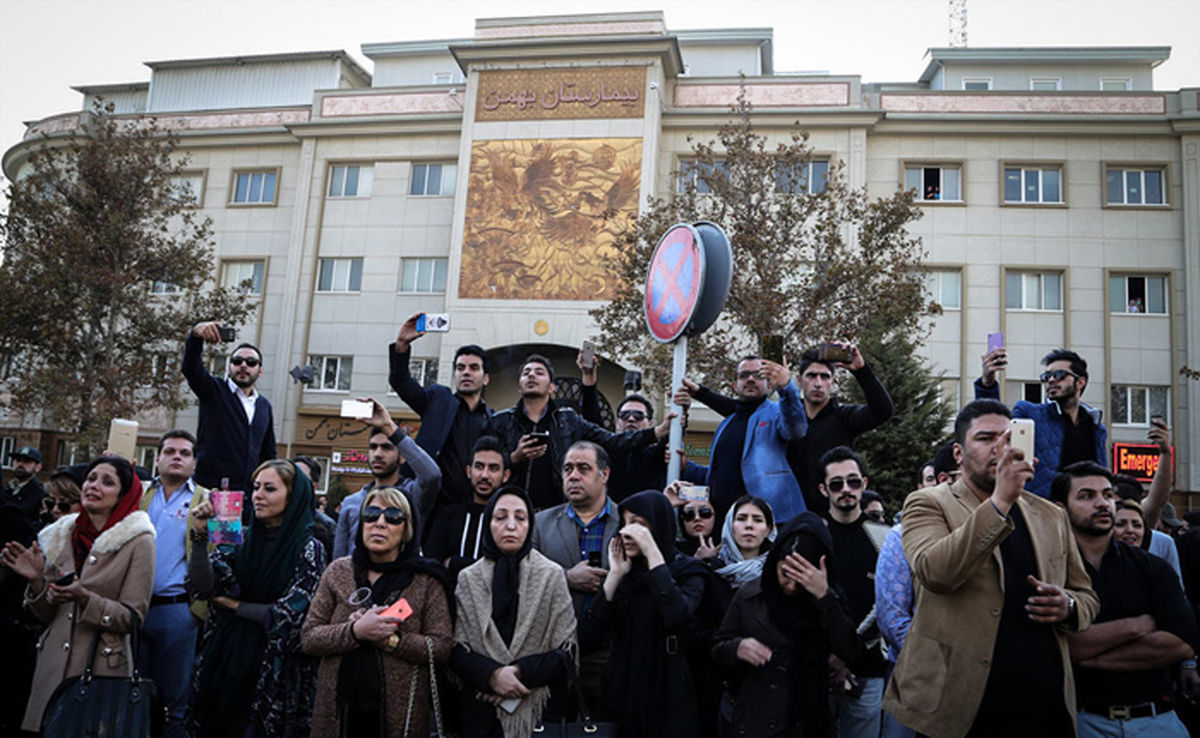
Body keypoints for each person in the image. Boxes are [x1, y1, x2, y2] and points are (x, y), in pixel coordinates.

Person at [883, 400, 1099, 738]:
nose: (1000, 448)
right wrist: (1000, 502)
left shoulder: (1051, 515)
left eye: (1008, 438)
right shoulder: (928, 502)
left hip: (1041, 701)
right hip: (961, 705)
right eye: (985, 439)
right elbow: (935, 572)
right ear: (958, 454)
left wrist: (1068, 606)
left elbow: (1086, 596)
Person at [1, 455, 155, 733]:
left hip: (101, 672)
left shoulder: (139, 541)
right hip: (51, 669)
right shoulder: (61, 534)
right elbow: (49, 615)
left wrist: (84, 598)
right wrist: (36, 580)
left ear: (123, 494)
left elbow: (132, 617)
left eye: (107, 482)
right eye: (92, 478)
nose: (94, 486)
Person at [1054, 461, 1198, 737]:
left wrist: (1087, 657)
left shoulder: (1152, 568)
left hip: (1157, 720)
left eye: (1108, 495)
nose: (1102, 503)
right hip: (1082, 721)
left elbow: (1182, 643)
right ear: (1060, 509)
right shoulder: (1048, 570)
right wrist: (1136, 627)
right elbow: (1057, 647)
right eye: (1087, 496)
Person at [187, 459, 326, 737]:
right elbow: (203, 587)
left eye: (270, 489)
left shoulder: (311, 547)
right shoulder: (239, 534)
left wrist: (233, 605)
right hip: (224, 659)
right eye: (256, 487)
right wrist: (201, 535)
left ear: (294, 495)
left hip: (272, 668)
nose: (258, 495)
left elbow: (289, 615)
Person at [302, 486, 453, 738]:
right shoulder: (338, 572)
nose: (379, 523)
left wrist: (391, 640)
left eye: (392, 517)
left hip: (399, 716)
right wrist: (355, 631)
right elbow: (309, 637)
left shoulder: (426, 580)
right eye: (371, 515)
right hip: (339, 714)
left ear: (406, 529)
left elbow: (441, 647)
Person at [711, 512, 864, 738]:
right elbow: (717, 648)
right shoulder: (752, 594)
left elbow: (853, 651)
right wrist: (738, 647)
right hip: (755, 717)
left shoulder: (830, 599)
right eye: (785, 573)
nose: (791, 585)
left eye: (800, 577)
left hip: (808, 719)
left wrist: (824, 597)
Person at [578, 490, 709, 737]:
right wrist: (614, 576)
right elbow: (587, 636)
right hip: (623, 690)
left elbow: (677, 615)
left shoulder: (689, 570)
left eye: (638, 525)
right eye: (625, 524)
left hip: (667, 692)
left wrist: (653, 556)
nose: (627, 532)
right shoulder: (624, 574)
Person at [451, 486, 576, 737]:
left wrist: (516, 674)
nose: (510, 526)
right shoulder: (469, 578)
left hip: (539, 711)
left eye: (520, 518)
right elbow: (458, 650)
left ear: (530, 524)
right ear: (488, 523)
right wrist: (492, 676)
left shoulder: (551, 575)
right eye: (500, 517)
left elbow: (566, 651)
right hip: (481, 709)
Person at [491, 354, 670, 511]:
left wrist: (657, 432)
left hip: (557, 512)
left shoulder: (569, 420)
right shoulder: (500, 421)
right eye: (526, 373)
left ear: (551, 387)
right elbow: (485, 467)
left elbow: (612, 441)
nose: (531, 375)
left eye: (539, 372)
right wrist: (514, 457)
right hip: (511, 510)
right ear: (519, 387)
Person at [531, 441, 620, 716]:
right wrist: (565, 578)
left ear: (604, 474)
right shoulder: (540, 523)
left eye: (583, 468)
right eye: (568, 469)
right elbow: (526, 578)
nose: (573, 476)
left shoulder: (627, 521)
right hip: (554, 650)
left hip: (610, 652)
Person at [678, 356, 809, 522]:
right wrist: (686, 467)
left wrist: (786, 388)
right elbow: (716, 475)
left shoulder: (777, 413)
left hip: (770, 522)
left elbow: (796, 430)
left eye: (758, 375)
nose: (750, 379)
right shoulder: (726, 424)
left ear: (769, 385)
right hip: (726, 523)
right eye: (744, 375)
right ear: (735, 386)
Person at [818, 445, 891, 738]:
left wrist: (848, 656)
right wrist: (829, 658)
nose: (845, 489)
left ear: (864, 484)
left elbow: (890, 604)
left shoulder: (884, 538)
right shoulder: (813, 533)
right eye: (836, 484)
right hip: (817, 667)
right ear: (824, 490)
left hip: (867, 668)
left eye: (853, 481)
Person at [138, 430, 207, 738]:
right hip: (132, 609)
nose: (176, 457)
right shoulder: (137, 495)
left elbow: (228, 551)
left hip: (178, 611)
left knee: (174, 704)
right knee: (131, 693)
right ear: (157, 459)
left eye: (184, 453)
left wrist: (198, 611)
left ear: (194, 463)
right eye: (169, 451)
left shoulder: (210, 499)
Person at [390, 314, 494, 507]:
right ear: (455, 374)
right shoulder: (438, 400)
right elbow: (401, 381)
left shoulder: (492, 419)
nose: (466, 372)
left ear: (485, 378)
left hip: (474, 506)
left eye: (474, 368)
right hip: (432, 504)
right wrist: (402, 344)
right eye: (460, 367)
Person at [976, 347, 1107, 498]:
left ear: (1080, 382)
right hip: (1040, 511)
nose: (1051, 380)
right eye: (1047, 376)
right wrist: (987, 383)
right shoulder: (1029, 413)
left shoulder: (1096, 427)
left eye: (1059, 375)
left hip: (1081, 512)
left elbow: (1103, 474)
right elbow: (993, 422)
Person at [578, 356, 705, 501]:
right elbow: (591, 418)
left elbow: (672, 433)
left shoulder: (656, 456)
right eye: (625, 415)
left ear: (650, 423)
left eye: (638, 416)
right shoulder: (607, 452)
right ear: (618, 422)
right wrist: (589, 377)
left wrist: (682, 410)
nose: (631, 419)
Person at [788, 344, 894, 515]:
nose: (818, 383)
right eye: (811, 376)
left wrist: (861, 370)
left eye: (824, 377)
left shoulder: (845, 417)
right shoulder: (786, 419)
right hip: (792, 514)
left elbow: (883, 411)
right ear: (799, 380)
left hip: (835, 515)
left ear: (833, 382)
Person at [333, 398, 440, 559]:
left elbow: (432, 475)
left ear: (402, 457)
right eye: (373, 447)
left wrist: (390, 428)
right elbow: (338, 560)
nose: (377, 454)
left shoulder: (413, 495)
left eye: (387, 447)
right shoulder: (351, 503)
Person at [183, 322, 277, 501]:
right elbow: (190, 368)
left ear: (260, 371)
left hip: (248, 498)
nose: (243, 365)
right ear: (229, 366)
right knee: (205, 530)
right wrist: (195, 336)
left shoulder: (263, 406)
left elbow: (268, 453)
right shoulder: (213, 391)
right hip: (211, 493)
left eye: (250, 362)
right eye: (237, 361)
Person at [424, 436, 511, 578]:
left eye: (493, 468)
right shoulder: (447, 516)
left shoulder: (509, 522)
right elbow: (431, 565)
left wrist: (455, 563)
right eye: (479, 466)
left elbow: (505, 570)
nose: (484, 475)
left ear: (505, 475)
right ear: (469, 471)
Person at [715, 495, 776, 589]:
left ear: (768, 530)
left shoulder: (777, 571)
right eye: (741, 519)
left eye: (758, 520)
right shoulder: (712, 567)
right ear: (730, 526)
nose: (749, 525)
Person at [6, 445, 46, 519]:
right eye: (18, 460)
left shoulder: (40, 494)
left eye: (27, 461)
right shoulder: (5, 489)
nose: (20, 464)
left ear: (38, 467)